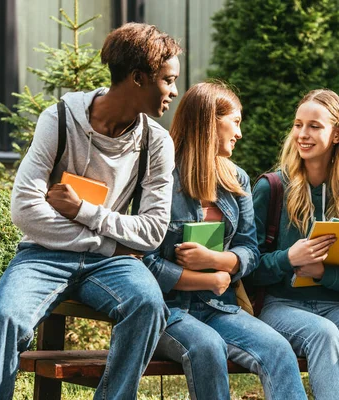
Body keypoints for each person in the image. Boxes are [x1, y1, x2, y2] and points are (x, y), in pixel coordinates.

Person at [0, 23, 181, 400]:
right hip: (46, 253)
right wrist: (109, 244)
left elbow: (151, 231)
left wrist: (83, 210)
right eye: (168, 80)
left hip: (112, 264)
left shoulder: (157, 142)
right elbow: (25, 209)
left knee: (147, 305)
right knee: (4, 320)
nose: (174, 91)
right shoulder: (61, 118)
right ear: (137, 78)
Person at [142, 82, 307, 400]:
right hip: (167, 311)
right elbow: (143, 262)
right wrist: (204, 278)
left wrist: (216, 263)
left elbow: (250, 249)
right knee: (207, 347)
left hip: (220, 307)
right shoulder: (160, 176)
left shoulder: (236, 179)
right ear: (209, 122)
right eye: (236, 121)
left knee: (277, 349)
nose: (240, 133)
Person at [251, 89, 339, 400]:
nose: (303, 134)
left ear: (338, 134)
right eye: (298, 124)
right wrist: (288, 258)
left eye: (314, 126)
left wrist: (322, 273)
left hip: (337, 306)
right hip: (280, 306)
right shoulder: (272, 187)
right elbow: (248, 267)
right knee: (323, 334)